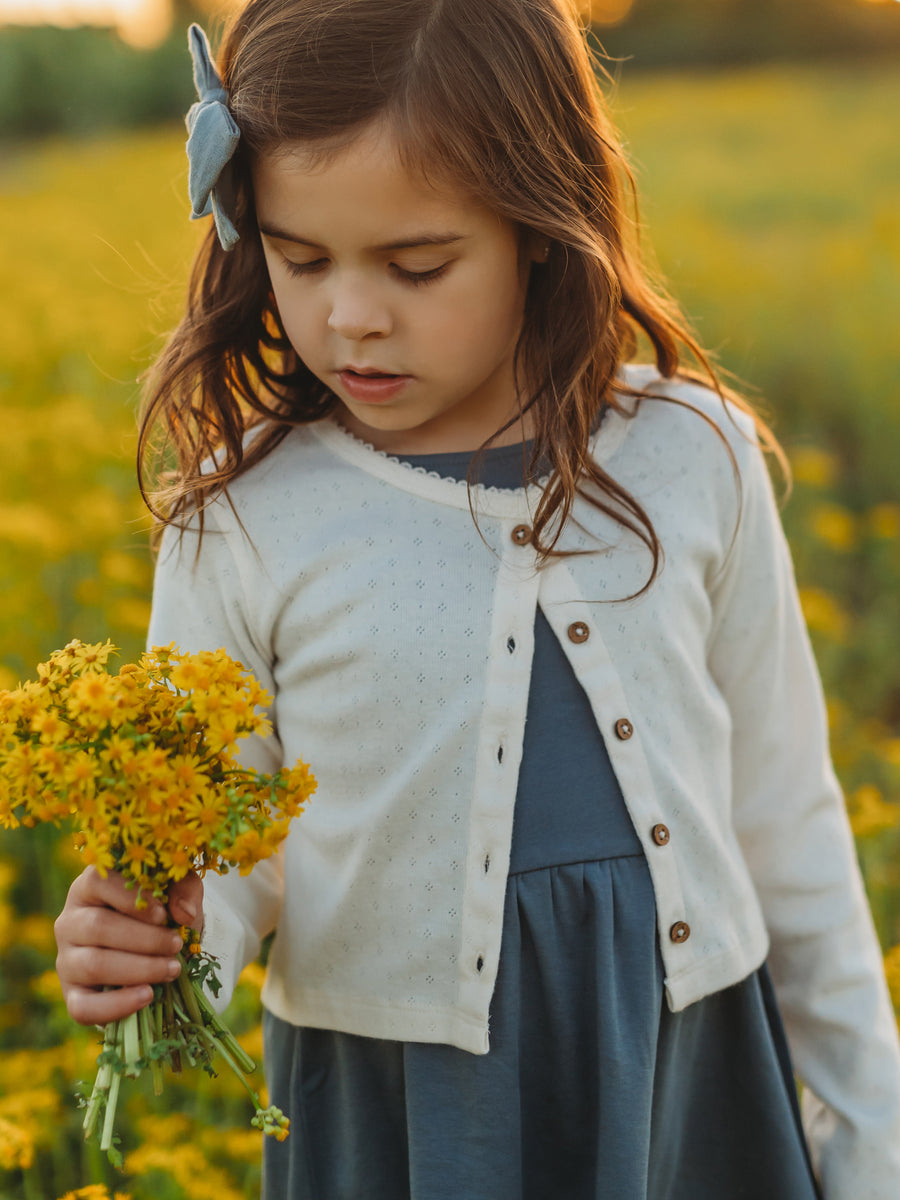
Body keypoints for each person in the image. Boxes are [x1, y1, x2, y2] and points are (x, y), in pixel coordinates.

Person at [54, 1, 900, 1196]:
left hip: (685, 1073)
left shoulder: (689, 454)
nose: (350, 314)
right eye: (300, 258)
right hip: (405, 1107)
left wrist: (873, 1138)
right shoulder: (239, 514)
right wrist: (161, 942)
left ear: (543, 227)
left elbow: (788, 814)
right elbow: (229, 858)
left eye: (417, 265)